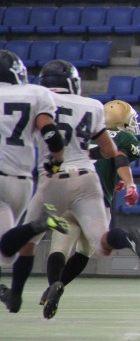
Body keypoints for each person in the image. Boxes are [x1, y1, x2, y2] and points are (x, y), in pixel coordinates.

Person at [3, 60, 140, 314]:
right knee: (102, 243)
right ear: (73, 83)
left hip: (54, 179)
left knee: (32, 243)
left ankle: (18, 294)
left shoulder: (38, 99)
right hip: (87, 181)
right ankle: (126, 237)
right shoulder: (92, 106)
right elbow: (111, 152)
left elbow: (45, 134)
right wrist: (127, 183)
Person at [39, 100, 140, 320]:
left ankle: (53, 286)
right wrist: (130, 184)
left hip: (64, 194)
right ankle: (125, 238)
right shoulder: (125, 138)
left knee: (59, 248)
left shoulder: (83, 133)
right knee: (88, 249)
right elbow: (120, 159)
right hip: (94, 200)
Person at [0, 51, 70, 313]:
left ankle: (38, 225)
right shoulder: (35, 94)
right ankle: (37, 226)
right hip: (21, 181)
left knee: (6, 251)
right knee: (6, 252)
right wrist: (57, 158)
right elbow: (50, 132)